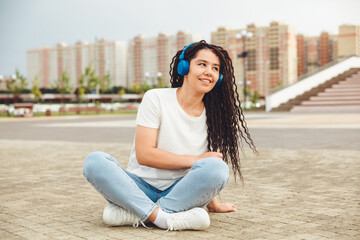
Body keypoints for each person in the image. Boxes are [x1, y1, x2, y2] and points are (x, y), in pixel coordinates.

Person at [83, 40, 257, 231]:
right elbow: (145, 155)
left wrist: (213, 204)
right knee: (95, 162)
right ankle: (166, 217)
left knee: (218, 168)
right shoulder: (156, 98)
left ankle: (139, 213)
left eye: (215, 68)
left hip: (180, 192)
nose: (209, 71)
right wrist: (196, 160)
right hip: (139, 187)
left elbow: (208, 167)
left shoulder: (214, 116)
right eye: (202, 64)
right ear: (184, 67)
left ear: (219, 77)